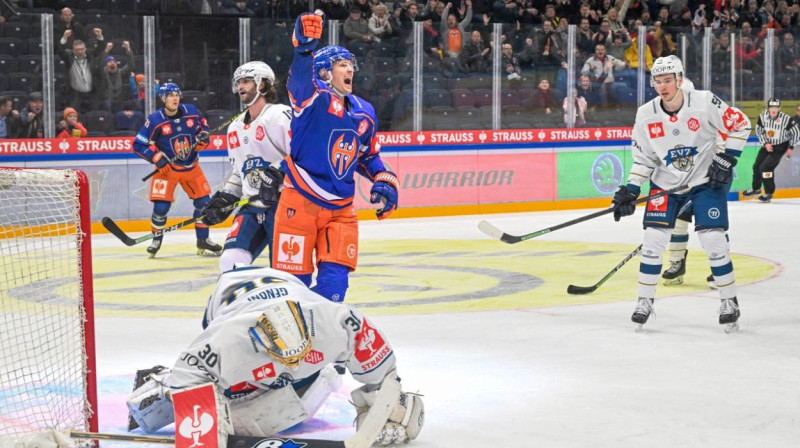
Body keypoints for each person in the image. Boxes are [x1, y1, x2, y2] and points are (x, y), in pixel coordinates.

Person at [126, 266, 424, 445]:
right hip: (227, 299)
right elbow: (189, 372)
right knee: (217, 406)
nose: (287, 364)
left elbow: (383, 372)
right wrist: (203, 433)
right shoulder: (231, 338)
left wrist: (388, 404)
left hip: (287, 287)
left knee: (310, 394)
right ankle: (158, 383)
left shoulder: (339, 323)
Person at [611, 55, 751, 331]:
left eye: (667, 80)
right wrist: (630, 189)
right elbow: (643, 159)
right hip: (665, 183)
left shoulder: (703, 102)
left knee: (713, 241)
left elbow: (741, 123)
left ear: (679, 79)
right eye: (657, 82)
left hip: (704, 182)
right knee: (652, 240)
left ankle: (729, 301)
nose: (662, 86)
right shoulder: (645, 114)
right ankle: (644, 301)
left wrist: (727, 159)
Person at [273, 11, 399, 302]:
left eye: (351, 65)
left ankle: (322, 344)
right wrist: (303, 50)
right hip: (300, 204)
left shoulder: (364, 111)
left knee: (334, 291)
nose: (350, 70)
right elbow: (299, 81)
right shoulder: (311, 100)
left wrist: (384, 177)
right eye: (342, 64)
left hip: (341, 211)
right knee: (293, 290)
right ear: (323, 73)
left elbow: (367, 156)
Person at [201, 61, 292, 273]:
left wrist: (280, 172)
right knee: (230, 262)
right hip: (252, 207)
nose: (241, 86)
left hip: (284, 205)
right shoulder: (234, 128)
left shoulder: (279, 115)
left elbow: (302, 153)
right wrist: (226, 197)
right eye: (239, 81)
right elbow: (239, 172)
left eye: (247, 81)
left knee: (285, 271)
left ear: (263, 85)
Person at [132, 82, 221, 258]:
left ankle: (203, 240)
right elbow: (138, 145)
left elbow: (204, 127)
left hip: (192, 167)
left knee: (204, 204)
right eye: (170, 95)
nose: (174, 98)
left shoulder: (192, 111)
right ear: (163, 99)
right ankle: (156, 240)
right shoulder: (155, 120)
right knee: (161, 207)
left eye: (176, 95)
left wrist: (203, 137)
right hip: (167, 170)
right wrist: (156, 158)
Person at [742, 97, 799, 203]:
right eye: (771, 107)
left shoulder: (785, 119)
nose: (774, 109)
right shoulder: (763, 117)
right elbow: (759, 131)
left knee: (765, 167)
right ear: (768, 108)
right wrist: (765, 143)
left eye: (776, 107)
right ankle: (756, 189)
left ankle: (769, 192)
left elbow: (796, 132)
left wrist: (791, 147)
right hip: (768, 144)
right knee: (756, 166)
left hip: (781, 146)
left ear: (779, 108)